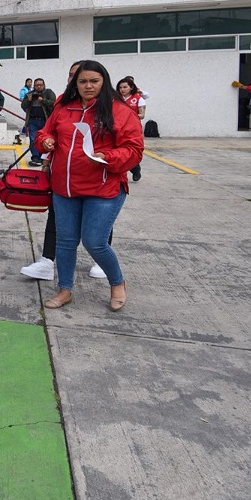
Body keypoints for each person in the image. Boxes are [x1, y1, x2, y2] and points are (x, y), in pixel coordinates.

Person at [38, 60, 143, 312]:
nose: (88, 85)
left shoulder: (119, 111)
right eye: (82, 81)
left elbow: (134, 149)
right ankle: (65, 290)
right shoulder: (64, 108)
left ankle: (118, 283)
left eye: (94, 81)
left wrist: (109, 157)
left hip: (103, 188)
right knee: (65, 241)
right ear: (75, 82)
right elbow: (42, 133)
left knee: (95, 241)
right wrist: (46, 141)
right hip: (65, 189)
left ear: (104, 81)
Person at [20, 61, 107, 282]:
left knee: (97, 221)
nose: (77, 81)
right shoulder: (62, 102)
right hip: (64, 177)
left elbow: (129, 146)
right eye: (73, 77)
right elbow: (47, 132)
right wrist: (46, 148)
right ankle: (47, 262)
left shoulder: (110, 107)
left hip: (97, 177)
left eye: (90, 79)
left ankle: (101, 261)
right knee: (56, 218)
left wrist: (109, 158)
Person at [116, 76, 147, 181]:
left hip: (132, 129)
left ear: (131, 87)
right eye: (120, 87)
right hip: (118, 128)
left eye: (125, 87)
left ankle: (135, 169)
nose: (122, 89)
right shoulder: (116, 98)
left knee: (130, 150)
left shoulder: (139, 99)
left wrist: (129, 116)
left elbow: (142, 114)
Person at [22, 78, 57, 166]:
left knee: (45, 139)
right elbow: (23, 106)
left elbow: (54, 103)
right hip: (33, 121)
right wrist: (29, 100)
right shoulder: (29, 94)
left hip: (45, 121)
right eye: (37, 85)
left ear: (44, 85)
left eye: (40, 85)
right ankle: (35, 158)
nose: (38, 87)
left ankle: (43, 157)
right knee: (33, 139)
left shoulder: (48, 93)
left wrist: (42, 100)